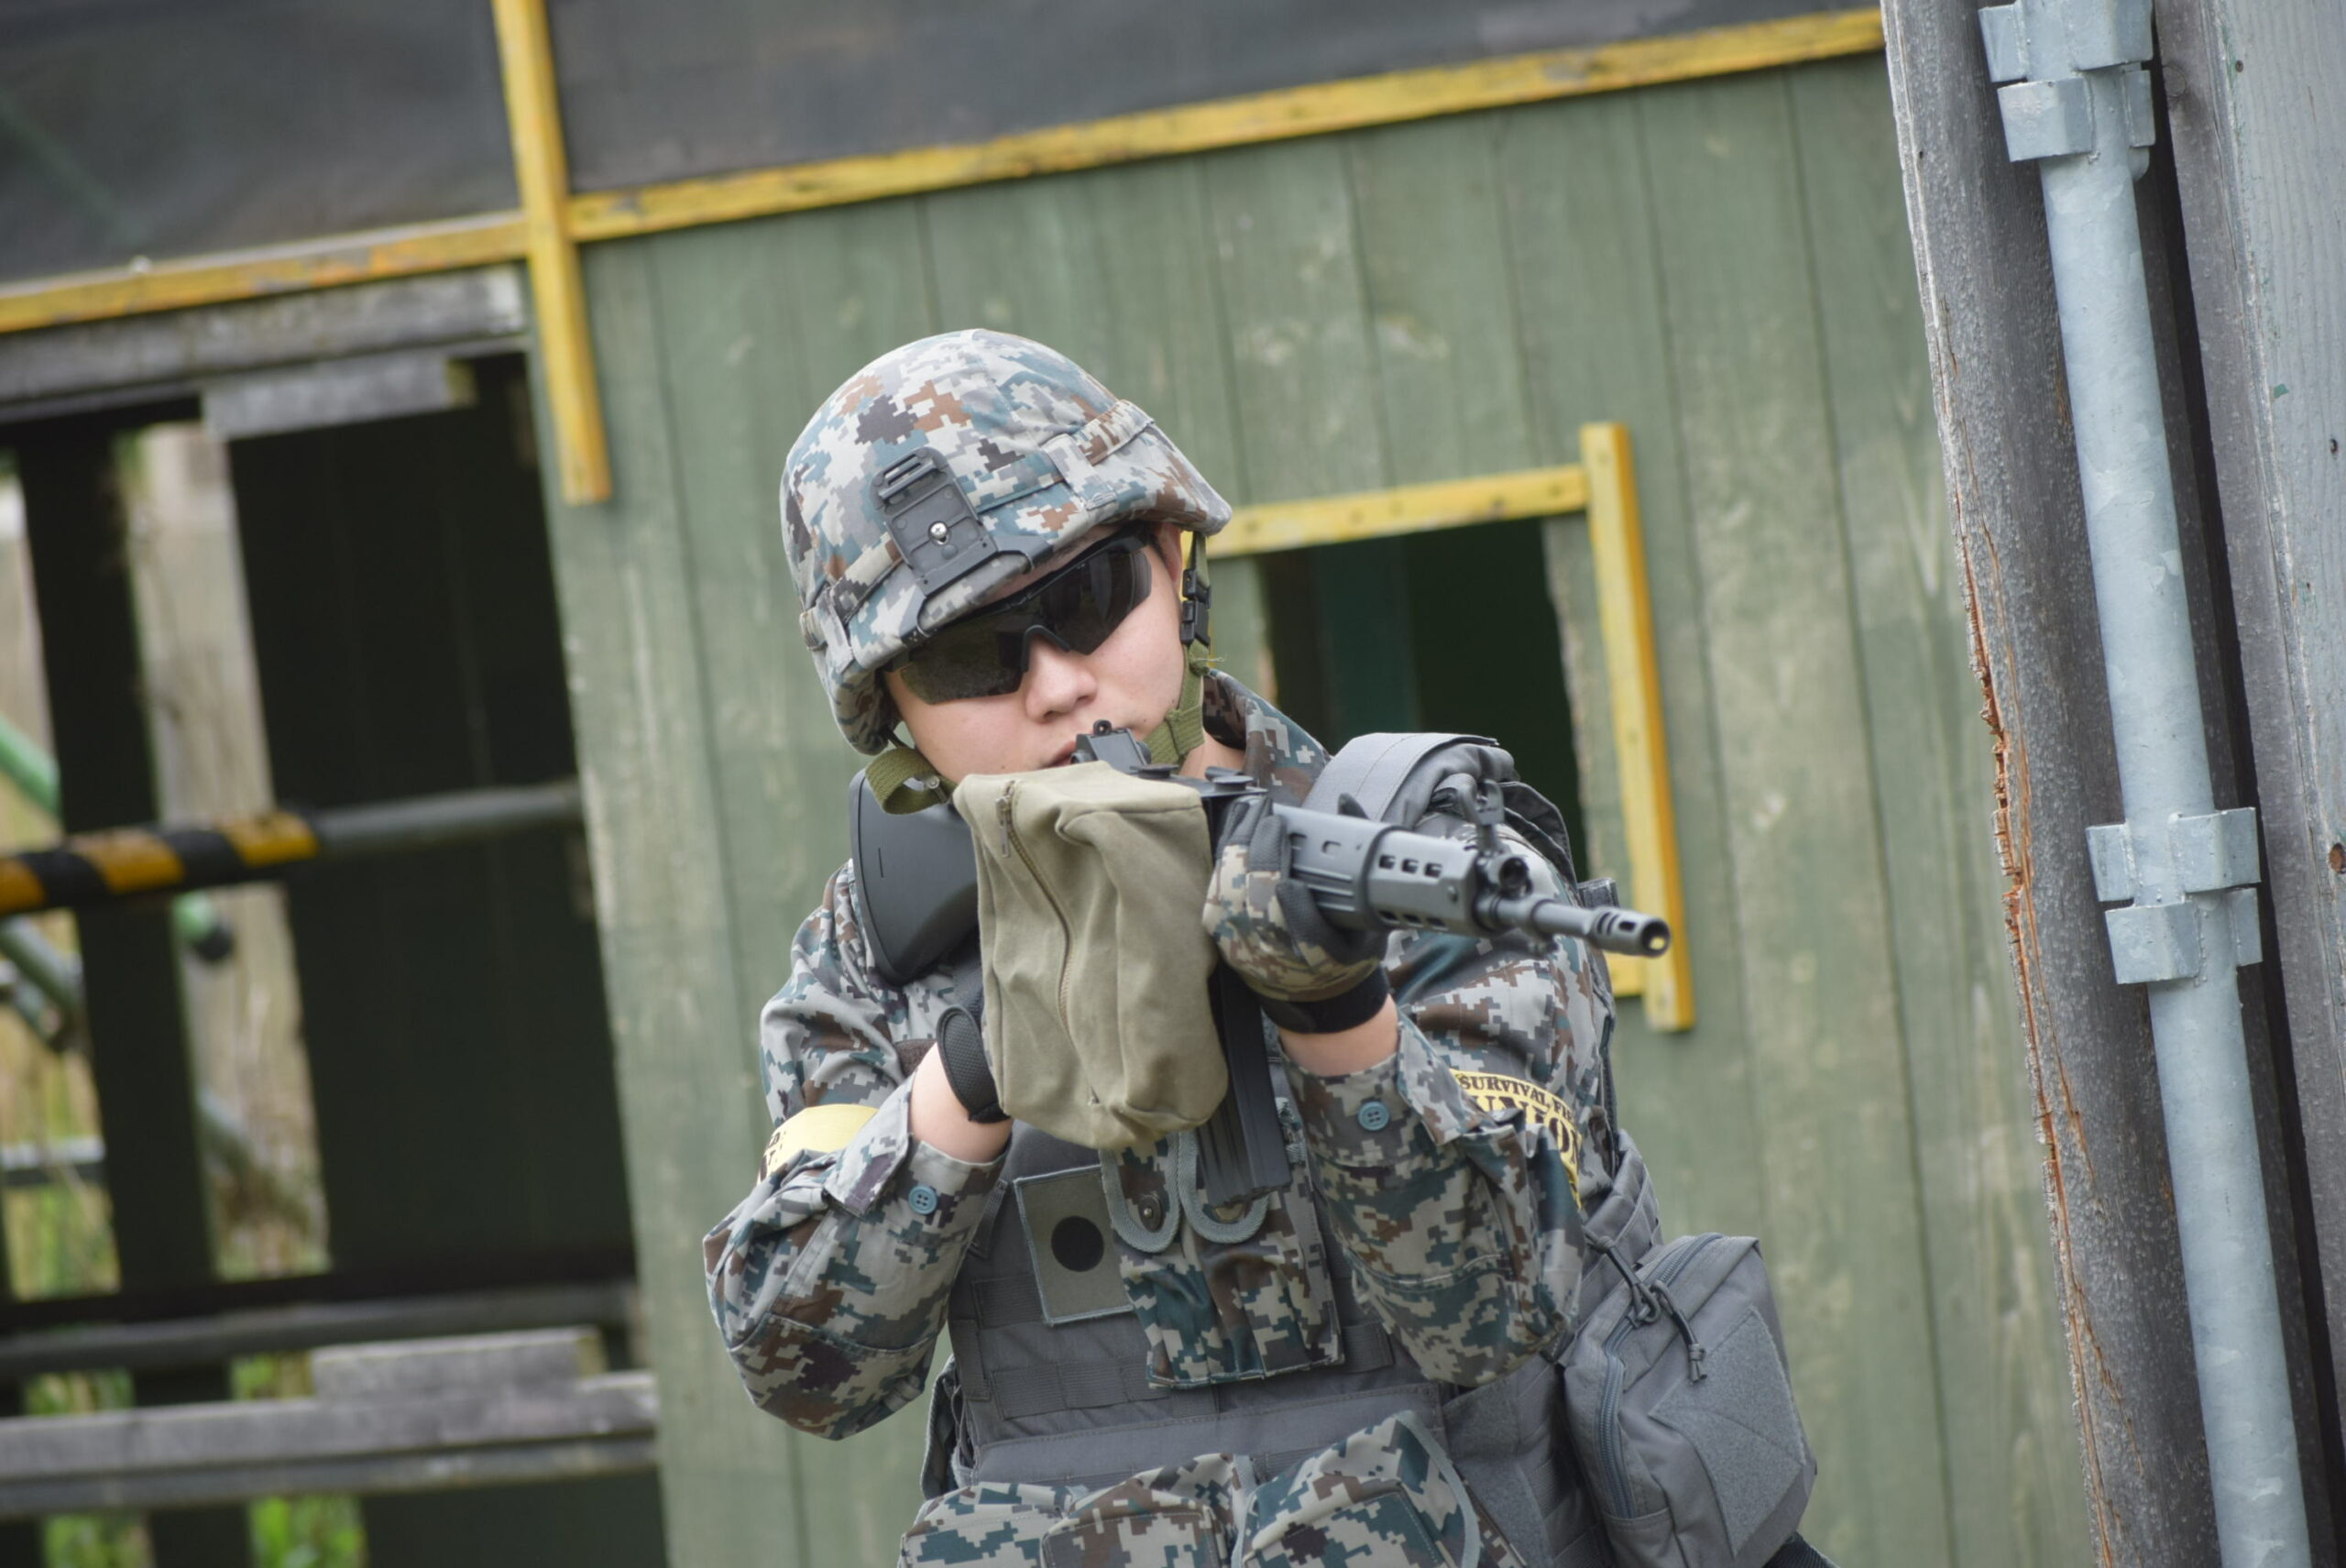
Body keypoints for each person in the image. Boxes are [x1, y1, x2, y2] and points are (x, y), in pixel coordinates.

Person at [707, 329, 1617, 1566]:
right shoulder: (881, 955)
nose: (1055, 686)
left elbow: (1504, 1310)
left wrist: (1336, 1013)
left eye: (1085, 602)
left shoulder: (1417, 860)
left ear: (1174, 563)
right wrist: (977, 1069)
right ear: (893, 714)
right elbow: (803, 1367)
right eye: (970, 658)